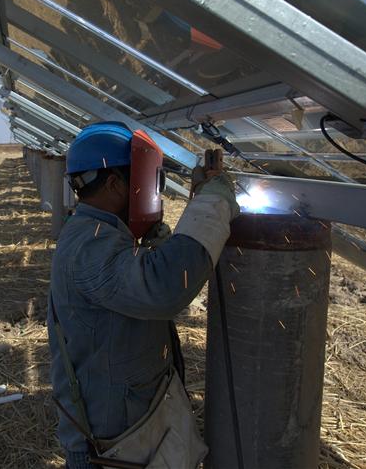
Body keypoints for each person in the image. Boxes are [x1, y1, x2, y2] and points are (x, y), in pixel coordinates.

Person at [48, 122, 239, 468]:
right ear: (115, 183)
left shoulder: (97, 233)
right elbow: (164, 286)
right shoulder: (89, 246)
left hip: (126, 432)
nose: (152, 192)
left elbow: (137, 277)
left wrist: (156, 236)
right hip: (110, 451)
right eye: (147, 182)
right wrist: (214, 202)